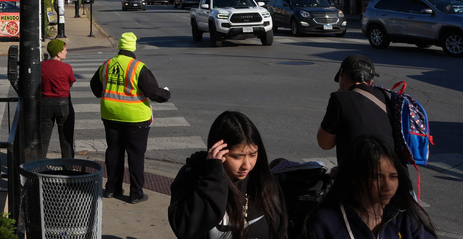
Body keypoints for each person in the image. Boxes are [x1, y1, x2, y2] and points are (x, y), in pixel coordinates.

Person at [168, 111, 288, 239]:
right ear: (218, 151)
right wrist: (213, 178)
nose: (247, 165)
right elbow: (186, 229)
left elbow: (280, 230)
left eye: (253, 155)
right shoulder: (194, 177)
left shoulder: (263, 181)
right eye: (237, 157)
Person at [90, 32, 170, 203]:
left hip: (110, 115)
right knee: (135, 155)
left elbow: (95, 86)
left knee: (114, 151)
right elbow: (153, 92)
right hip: (135, 118)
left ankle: (112, 188)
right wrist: (166, 94)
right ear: (133, 47)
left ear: (120, 46)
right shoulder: (138, 67)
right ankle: (135, 194)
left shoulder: (107, 64)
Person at [304, 135, 437, 239]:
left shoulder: (406, 219)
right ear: (354, 178)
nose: (388, 186)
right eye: (377, 177)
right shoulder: (326, 222)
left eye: (393, 176)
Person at [316, 55, 394, 170]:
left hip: (360, 180)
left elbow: (324, 144)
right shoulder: (383, 95)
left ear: (341, 73)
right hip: (394, 177)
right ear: (371, 80)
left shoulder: (340, 98)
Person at [39, 38, 76, 158]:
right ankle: (68, 167)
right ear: (58, 53)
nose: (67, 52)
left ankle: (38, 165)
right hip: (63, 103)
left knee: (43, 138)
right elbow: (70, 83)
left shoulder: (41, 66)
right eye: (65, 50)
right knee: (66, 138)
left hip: (45, 103)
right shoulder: (66, 68)